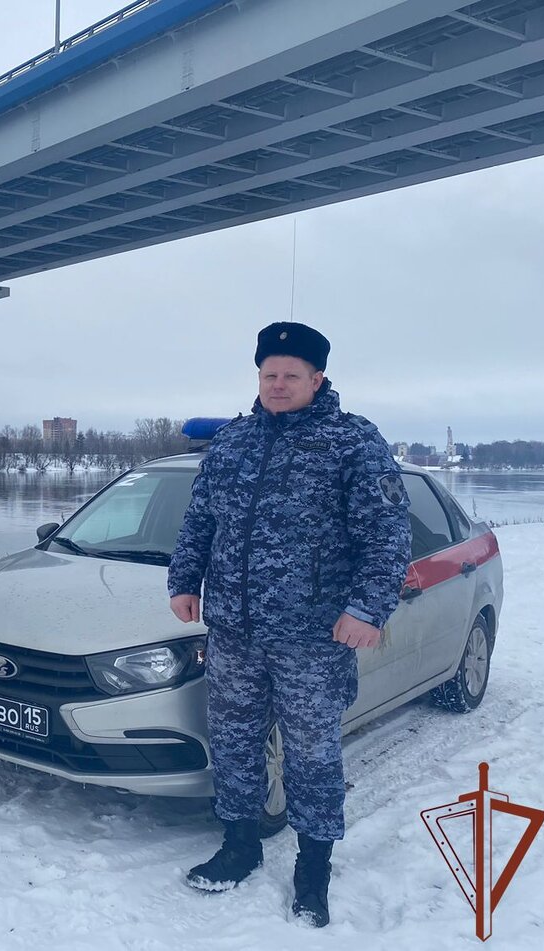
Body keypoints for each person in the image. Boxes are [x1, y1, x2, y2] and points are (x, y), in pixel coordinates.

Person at [167, 321, 411, 927]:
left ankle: (313, 865)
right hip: (235, 630)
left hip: (313, 634)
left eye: (290, 375)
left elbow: (385, 534)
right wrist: (182, 580)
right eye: (269, 374)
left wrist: (368, 608)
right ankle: (241, 844)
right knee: (234, 740)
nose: (277, 384)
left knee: (311, 752)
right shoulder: (233, 442)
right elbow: (200, 519)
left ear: (316, 378)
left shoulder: (352, 441)